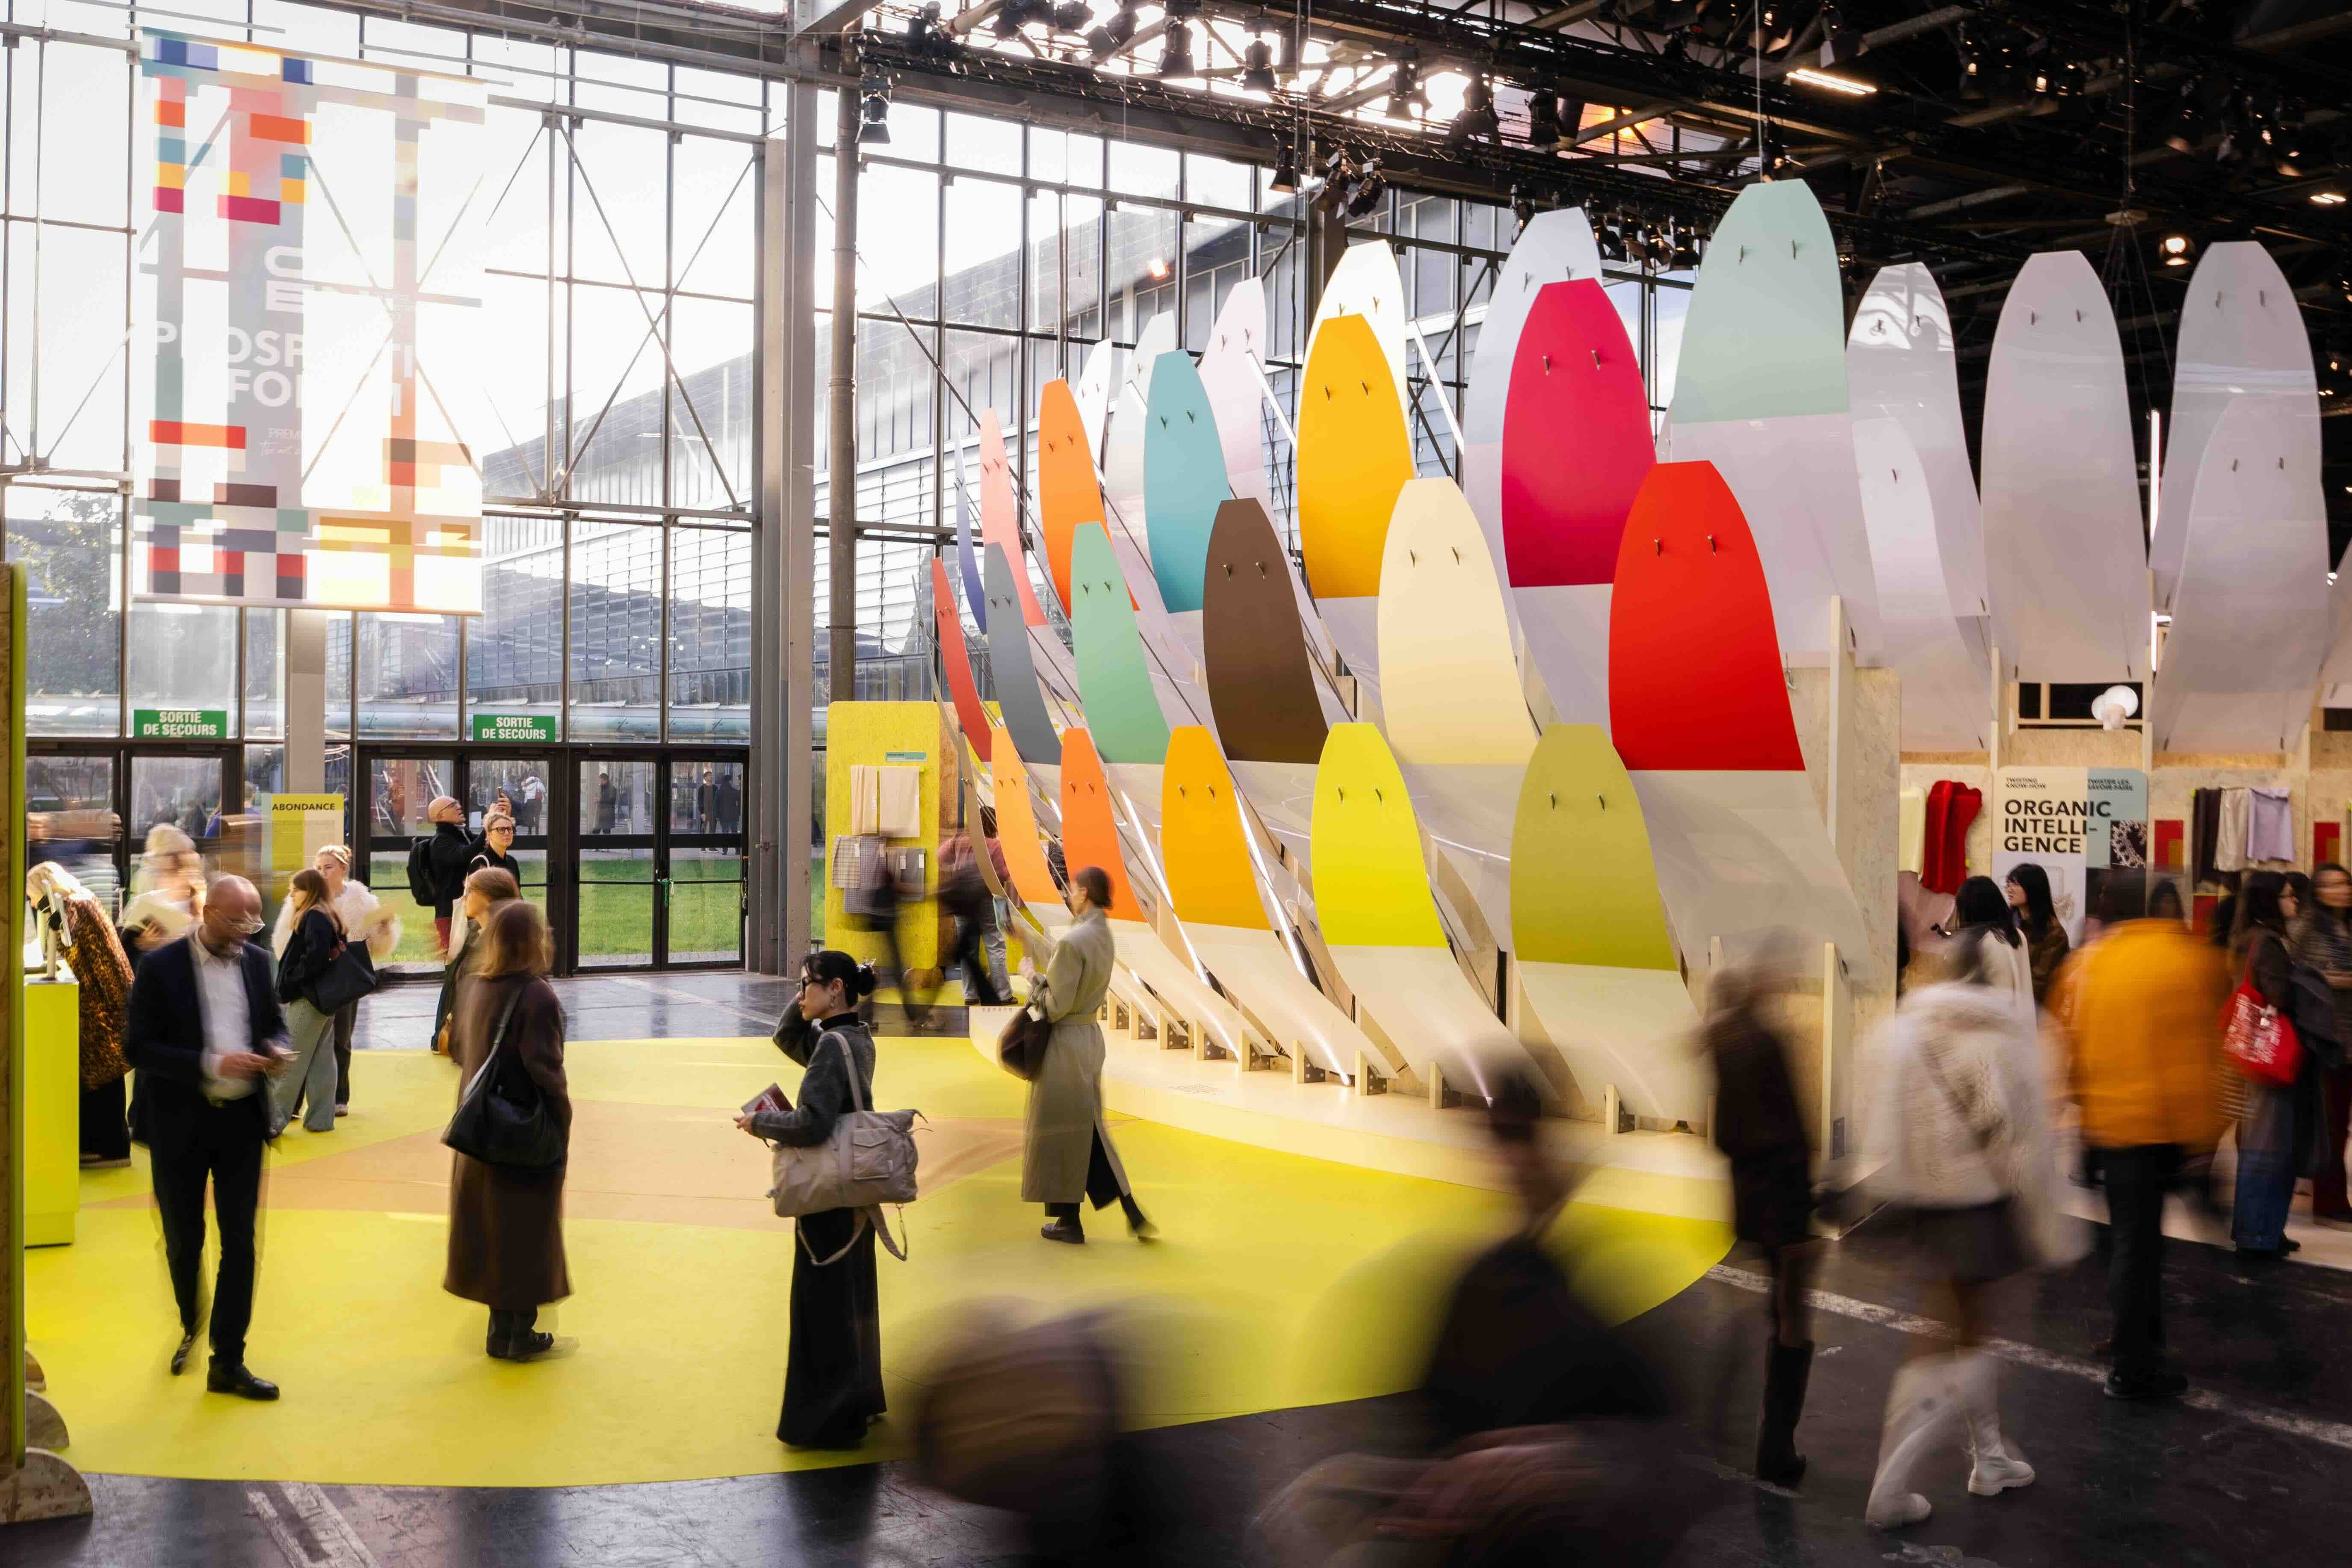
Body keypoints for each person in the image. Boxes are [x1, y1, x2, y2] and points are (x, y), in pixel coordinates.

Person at [1863, 925, 2069, 1528]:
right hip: (1981, 1207)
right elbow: (2022, 1135)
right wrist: (2044, 1215)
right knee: (1964, 1340)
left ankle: (1990, 1456)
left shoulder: (1906, 1027)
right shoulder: (2002, 1036)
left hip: (1924, 1204)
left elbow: (1883, 1120)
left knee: (1961, 1333)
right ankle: (1891, 1485)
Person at [2051, 877, 2224, 1400]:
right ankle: (2134, 1364)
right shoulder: (2188, 959)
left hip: (2111, 1128)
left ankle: (2137, 1346)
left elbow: (2072, 1046)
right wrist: (2203, 1144)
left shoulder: (2089, 964)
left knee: (2130, 1244)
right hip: (2163, 1129)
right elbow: (2199, 1060)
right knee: (2142, 1250)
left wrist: (2084, 1123)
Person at [123, 874, 289, 1400]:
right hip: (179, 1123)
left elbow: (274, 1023)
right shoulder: (160, 967)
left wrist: (276, 1047)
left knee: (240, 1243)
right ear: (209, 913)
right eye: (237, 920)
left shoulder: (258, 962)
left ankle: (228, 1360)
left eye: (253, 922)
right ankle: (190, 1321)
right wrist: (212, 1062)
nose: (245, 931)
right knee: (183, 1239)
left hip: (241, 1122)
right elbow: (137, 1048)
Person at [736, 951, 888, 1447]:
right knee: (853, 1298)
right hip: (854, 1186)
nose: (800, 993)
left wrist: (759, 1121)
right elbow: (787, 1035)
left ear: (836, 989)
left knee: (822, 1305)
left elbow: (812, 1123)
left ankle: (827, 1420)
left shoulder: (829, 1048)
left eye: (808, 984)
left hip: (827, 1193)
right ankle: (860, 1402)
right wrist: (808, 996)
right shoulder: (854, 1039)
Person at [1703, 950, 1819, 1487]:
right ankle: (1776, 1447)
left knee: (1764, 1314)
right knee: (1790, 1317)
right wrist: (1807, 1204)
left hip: (1747, 1198)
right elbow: (1793, 1130)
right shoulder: (1766, 1042)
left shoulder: (1721, 1044)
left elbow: (1724, 1135)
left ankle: (1721, 1419)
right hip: (1785, 1202)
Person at [445, 898, 572, 1360]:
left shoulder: (476, 985)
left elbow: (463, 1052)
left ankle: (500, 1330)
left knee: (494, 1228)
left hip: (481, 1127)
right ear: (532, 940)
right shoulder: (537, 995)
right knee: (526, 1228)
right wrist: (561, 1126)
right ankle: (521, 1333)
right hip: (524, 1129)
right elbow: (547, 1071)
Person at [1021, 866, 1152, 1244]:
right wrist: (1028, 940)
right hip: (1090, 1039)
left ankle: (1069, 1221)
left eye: (1073, 888)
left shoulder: (1074, 940)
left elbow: (1055, 1005)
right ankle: (1129, 1206)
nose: (1069, 894)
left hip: (1065, 1044)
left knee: (1061, 1132)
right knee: (1090, 1128)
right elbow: (1066, 966)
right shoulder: (1102, 935)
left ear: (1085, 893)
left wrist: (1031, 978)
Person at [2228, 870, 2318, 1259]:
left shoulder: (2248, 937)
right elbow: (2279, 995)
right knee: (2268, 1146)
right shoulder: (2267, 942)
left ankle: (2265, 1230)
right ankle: (2257, 1235)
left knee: (2265, 1144)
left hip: (2255, 1053)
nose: (2294, 901)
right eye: (2287, 895)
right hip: (2271, 1054)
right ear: (2270, 901)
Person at [275, 846, 399, 1119]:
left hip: (339, 980)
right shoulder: (306, 900)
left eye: (328, 867)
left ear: (343, 869)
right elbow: (286, 941)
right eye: (319, 868)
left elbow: (372, 944)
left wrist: (383, 928)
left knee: (337, 1041)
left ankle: (336, 1100)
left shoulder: (359, 901)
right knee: (314, 1048)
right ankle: (303, 1106)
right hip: (313, 984)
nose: (323, 873)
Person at [268, 869, 349, 1137]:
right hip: (324, 1000)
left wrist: (293, 978)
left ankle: (274, 1120)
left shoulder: (314, 916)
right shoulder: (329, 914)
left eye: (297, 890)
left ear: (311, 891)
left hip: (308, 999)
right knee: (322, 1060)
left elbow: (315, 958)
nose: (292, 895)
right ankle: (320, 1119)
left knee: (290, 1058)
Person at [2293, 863, 2352, 1222]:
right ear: (2317, 891)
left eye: (2344, 883)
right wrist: (2334, 979)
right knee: (2332, 1124)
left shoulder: (2348, 927)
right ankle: (2330, 1202)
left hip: (2349, 1037)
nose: (2341, 890)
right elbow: (2295, 975)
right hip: (2326, 1038)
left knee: (2340, 1124)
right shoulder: (2307, 929)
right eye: (2331, 885)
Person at [433, 868, 521, 1056]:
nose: (464, 897)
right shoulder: (475, 936)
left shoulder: (506, 947)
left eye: (470, 891)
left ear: (488, 897)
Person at [118, 822, 206, 972]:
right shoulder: (148, 896)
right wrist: (144, 945)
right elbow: (127, 953)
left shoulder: (202, 900)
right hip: (159, 972)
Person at [939, 836, 1005, 1007]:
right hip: (987, 898)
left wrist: (955, 866)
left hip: (964, 901)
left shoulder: (958, 841)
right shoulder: (994, 844)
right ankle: (1003, 994)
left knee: (969, 950)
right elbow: (1003, 873)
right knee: (995, 945)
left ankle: (970, 995)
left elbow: (940, 856)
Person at [2004, 864, 2070, 1006]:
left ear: (2033, 888)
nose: (2010, 889)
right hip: (2006, 1003)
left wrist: (2010, 999)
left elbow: (2041, 982)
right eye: (2008, 884)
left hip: (2033, 1008)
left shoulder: (2054, 932)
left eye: (2016, 884)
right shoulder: (2006, 925)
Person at [421, 796, 473, 951]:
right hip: (450, 913)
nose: (459, 807)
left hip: (467, 910)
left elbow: (486, 845)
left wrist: (500, 819)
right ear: (440, 816)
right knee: (455, 959)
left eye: (457, 803)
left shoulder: (462, 834)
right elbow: (467, 854)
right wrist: (488, 826)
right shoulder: (441, 842)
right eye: (452, 806)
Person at [470, 809, 522, 883]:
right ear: (489, 834)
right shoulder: (482, 861)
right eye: (501, 829)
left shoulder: (512, 861)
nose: (507, 833)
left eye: (510, 829)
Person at [715, 768, 740, 836]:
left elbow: (716, 805)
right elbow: (739, 799)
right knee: (735, 834)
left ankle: (726, 844)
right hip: (733, 817)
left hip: (723, 817)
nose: (732, 782)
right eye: (731, 780)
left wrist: (717, 816)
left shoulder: (719, 791)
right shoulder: (734, 791)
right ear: (729, 781)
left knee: (725, 834)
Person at [595, 771, 618, 835]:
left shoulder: (612, 789)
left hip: (607, 815)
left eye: (602, 781)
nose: (600, 783)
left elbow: (612, 801)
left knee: (604, 832)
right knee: (598, 832)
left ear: (606, 780)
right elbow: (597, 796)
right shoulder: (600, 787)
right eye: (600, 781)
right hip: (601, 815)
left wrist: (600, 800)